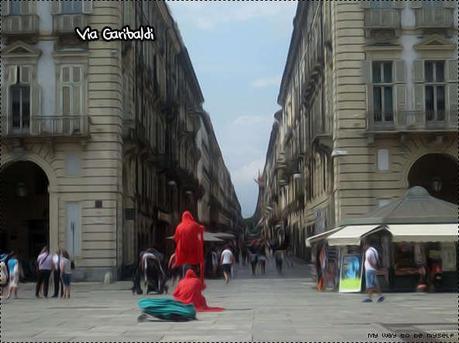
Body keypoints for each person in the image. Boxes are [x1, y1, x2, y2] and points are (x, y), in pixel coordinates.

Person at [173, 211, 205, 286]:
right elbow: (200, 231)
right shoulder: (195, 225)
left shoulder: (179, 226)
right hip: (194, 251)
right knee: (193, 266)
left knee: (184, 267)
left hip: (183, 252)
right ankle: (193, 281)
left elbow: (176, 238)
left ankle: (185, 282)